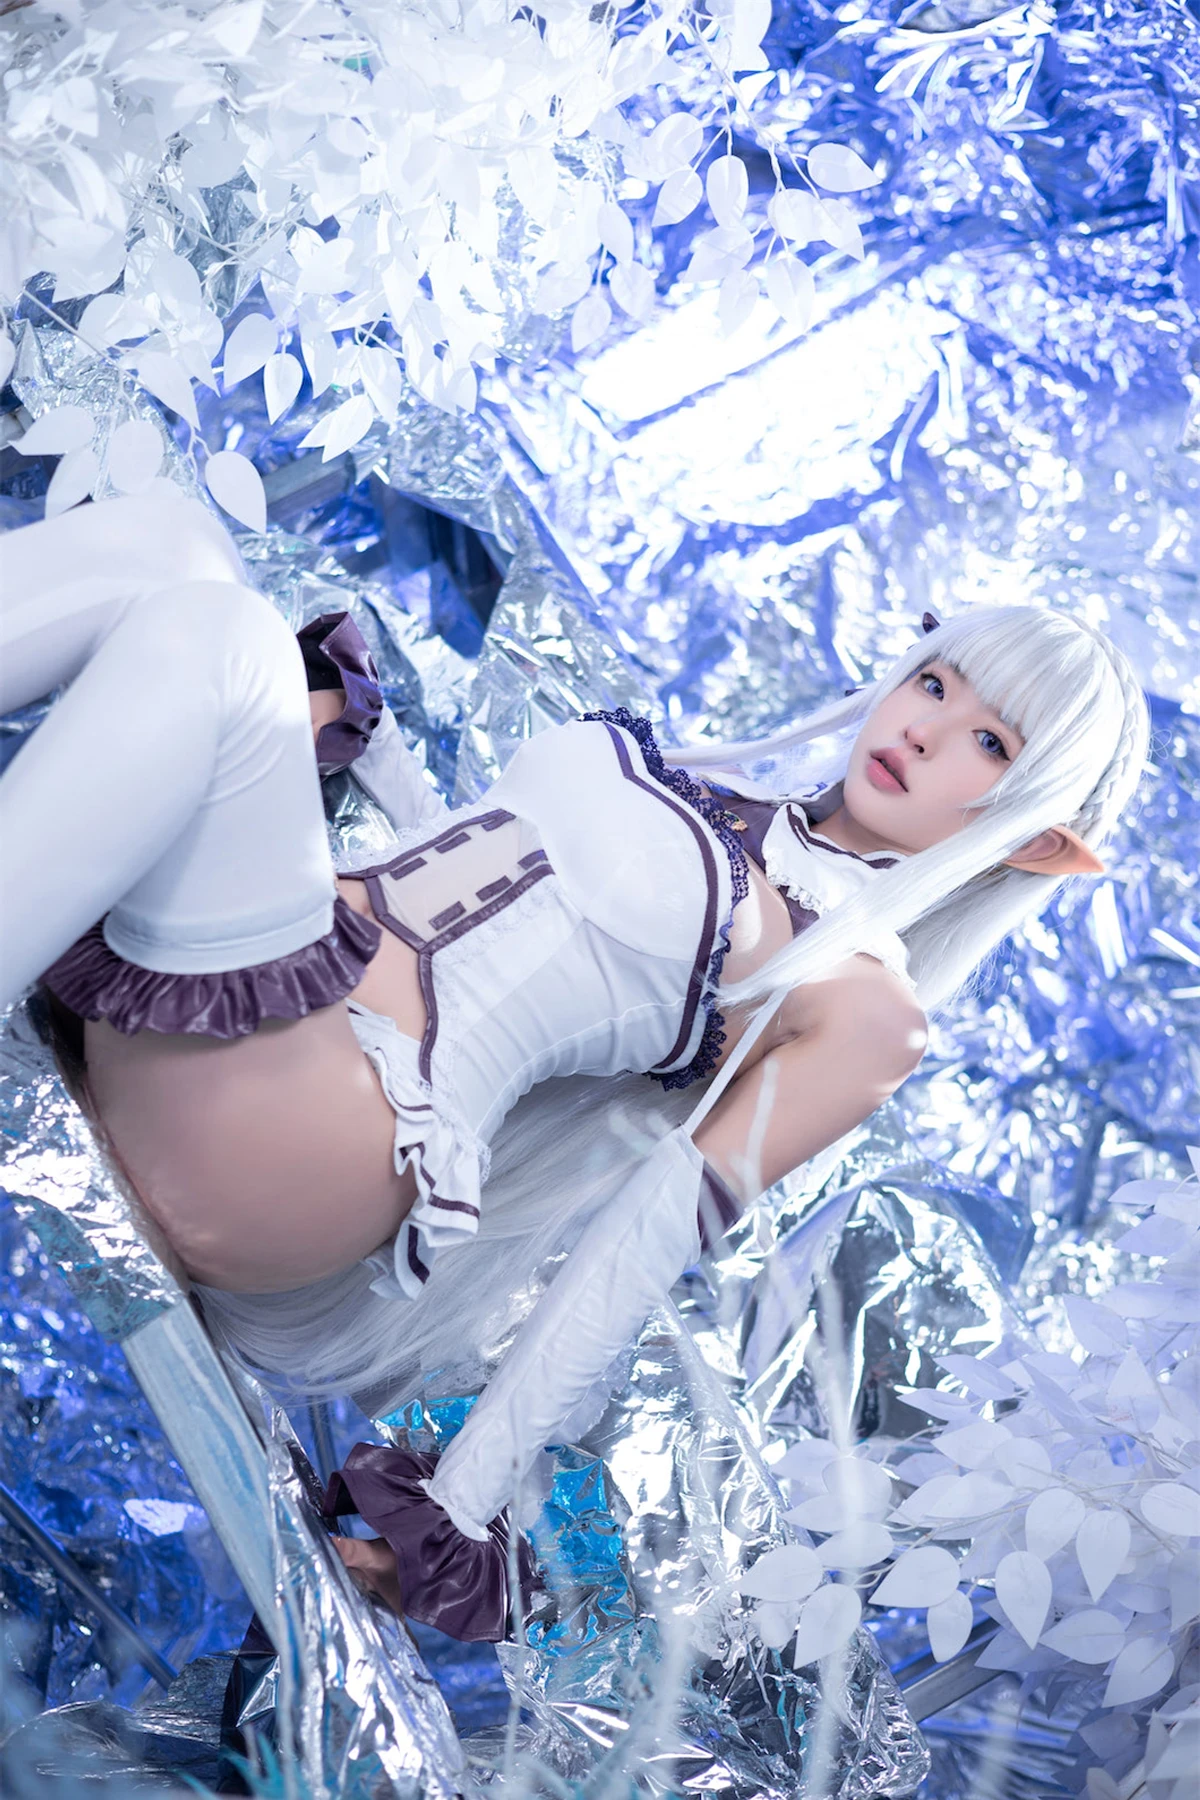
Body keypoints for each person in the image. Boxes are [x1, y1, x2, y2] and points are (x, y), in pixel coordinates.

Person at [0, 491, 1149, 1641]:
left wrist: (458, 1512)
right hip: (248, 997)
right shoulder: (718, 790)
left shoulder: (865, 1008)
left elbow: (633, 1250)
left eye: (992, 742)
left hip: (322, 1132)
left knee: (222, 639)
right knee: (173, 547)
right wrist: (366, 738)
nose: (928, 730)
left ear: (1040, 841)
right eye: (937, 683)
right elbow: (495, 867)